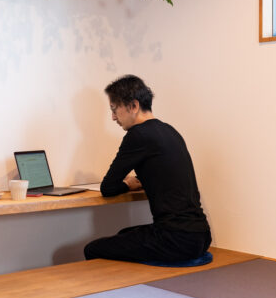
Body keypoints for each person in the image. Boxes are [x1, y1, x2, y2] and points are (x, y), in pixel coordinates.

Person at [84, 75, 211, 265]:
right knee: (125, 234)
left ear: (133, 106)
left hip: (175, 239)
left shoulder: (137, 135)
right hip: (201, 235)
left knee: (92, 249)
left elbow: (107, 188)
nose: (113, 117)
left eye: (114, 109)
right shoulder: (170, 131)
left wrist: (127, 185)